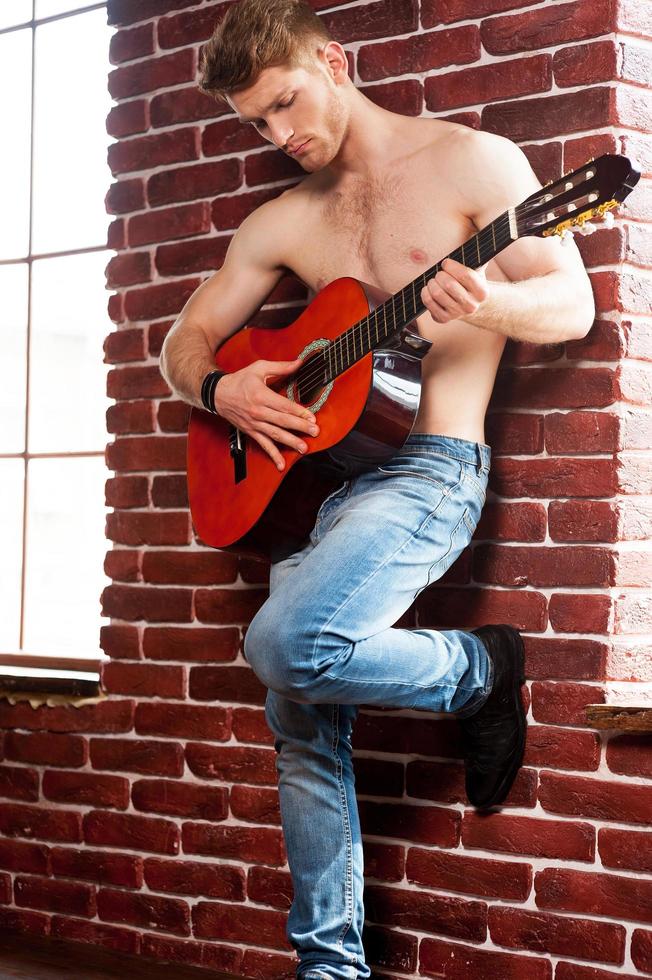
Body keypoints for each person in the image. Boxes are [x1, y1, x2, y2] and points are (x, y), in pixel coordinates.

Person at [159, 2, 596, 976]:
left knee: (284, 643)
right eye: (254, 124)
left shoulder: (470, 163)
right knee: (297, 715)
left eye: (285, 104)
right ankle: (330, 966)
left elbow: (571, 302)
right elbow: (182, 343)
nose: (279, 136)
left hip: (429, 467)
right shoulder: (284, 218)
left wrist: (489, 299)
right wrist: (219, 384)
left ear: (333, 59)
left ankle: (476, 669)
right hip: (319, 488)